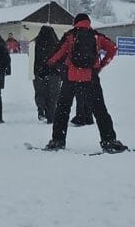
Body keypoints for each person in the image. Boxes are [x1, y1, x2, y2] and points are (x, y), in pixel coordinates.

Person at [44, 13, 126, 153]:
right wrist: (100, 65)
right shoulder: (96, 36)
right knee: (100, 110)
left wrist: (62, 68)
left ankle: (58, 141)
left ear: (75, 22)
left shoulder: (70, 36)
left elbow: (53, 58)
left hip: (70, 78)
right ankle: (109, 141)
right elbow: (113, 48)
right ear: (88, 22)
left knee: (62, 109)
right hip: (91, 78)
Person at [31, 25, 61, 124]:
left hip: (39, 73)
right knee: (53, 96)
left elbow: (33, 59)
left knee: (40, 93)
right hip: (54, 73)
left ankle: (41, 109)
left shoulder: (36, 44)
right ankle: (50, 116)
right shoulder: (57, 45)